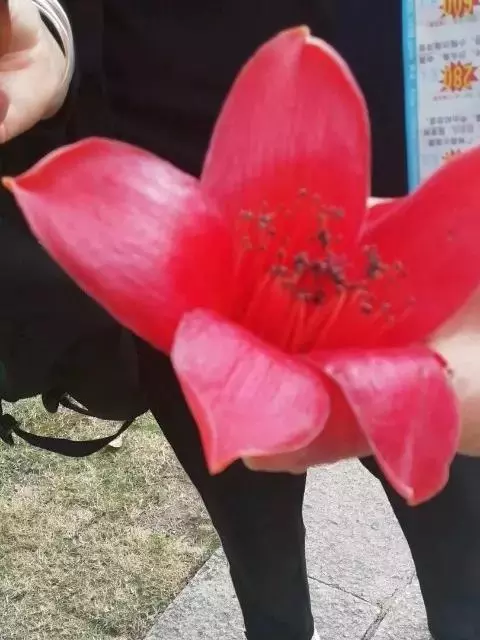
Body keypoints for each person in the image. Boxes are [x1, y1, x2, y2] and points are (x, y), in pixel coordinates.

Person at [1, 1, 480, 639]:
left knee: (465, 568)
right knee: (262, 567)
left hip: (426, 269)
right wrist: (54, 26)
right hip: (187, 267)